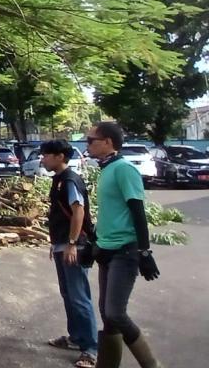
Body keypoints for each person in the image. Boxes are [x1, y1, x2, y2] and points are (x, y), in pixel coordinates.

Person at [84, 122, 161, 368]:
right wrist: (93, 242)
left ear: (107, 142)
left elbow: (137, 212)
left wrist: (145, 251)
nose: (87, 144)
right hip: (106, 250)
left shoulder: (124, 169)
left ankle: (152, 365)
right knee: (108, 315)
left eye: (91, 140)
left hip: (125, 250)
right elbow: (110, 213)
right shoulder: (106, 169)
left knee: (116, 312)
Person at [41, 140, 98, 368]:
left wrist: (73, 243)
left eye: (46, 155)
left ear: (60, 156)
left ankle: (91, 349)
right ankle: (76, 338)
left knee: (79, 297)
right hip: (62, 244)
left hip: (74, 246)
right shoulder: (59, 181)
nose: (42, 159)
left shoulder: (70, 180)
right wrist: (56, 244)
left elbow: (79, 211)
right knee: (69, 294)